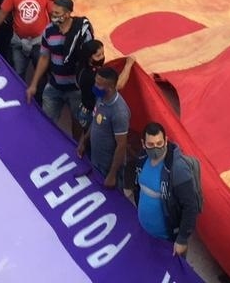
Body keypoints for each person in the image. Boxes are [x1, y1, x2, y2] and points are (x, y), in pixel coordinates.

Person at [133, 122, 202, 257]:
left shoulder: (178, 169)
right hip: (145, 232)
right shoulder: (142, 158)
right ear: (143, 143)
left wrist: (182, 240)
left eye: (159, 143)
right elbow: (138, 187)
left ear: (166, 140)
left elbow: (190, 206)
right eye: (151, 145)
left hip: (168, 240)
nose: (155, 148)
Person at [27, 0, 95, 132]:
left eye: (57, 13)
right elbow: (44, 57)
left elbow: (90, 61)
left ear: (68, 14)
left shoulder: (81, 33)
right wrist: (33, 84)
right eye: (53, 12)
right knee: (46, 123)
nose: (53, 15)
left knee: (78, 124)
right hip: (54, 87)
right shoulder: (49, 30)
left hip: (75, 90)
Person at [76, 65, 129, 189]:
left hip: (109, 165)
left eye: (99, 84)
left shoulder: (119, 112)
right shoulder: (100, 97)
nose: (95, 86)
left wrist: (112, 174)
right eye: (96, 82)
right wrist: (84, 141)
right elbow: (95, 121)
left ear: (110, 87)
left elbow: (121, 145)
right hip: (96, 158)